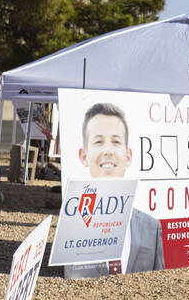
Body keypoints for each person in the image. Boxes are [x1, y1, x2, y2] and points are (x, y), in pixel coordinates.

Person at [70, 103, 164, 276]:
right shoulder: (70, 228)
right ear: (84, 157)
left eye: (116, 141)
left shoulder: (152, 227)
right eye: (98, 141)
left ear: (128, 156)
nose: (108, 151)